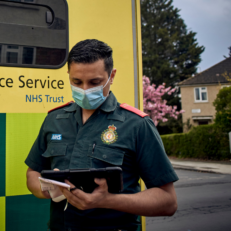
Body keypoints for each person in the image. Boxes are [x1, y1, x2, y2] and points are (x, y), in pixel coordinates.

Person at [25, 39, 178, 231]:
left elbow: (168, 201)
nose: (85, 90)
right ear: (69, 75)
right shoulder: (54, 119)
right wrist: (48, 190)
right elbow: (33, 173)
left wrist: (108, 201)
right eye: (77, 82)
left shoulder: (137, 125)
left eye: (95, 82)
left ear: (111, 76)